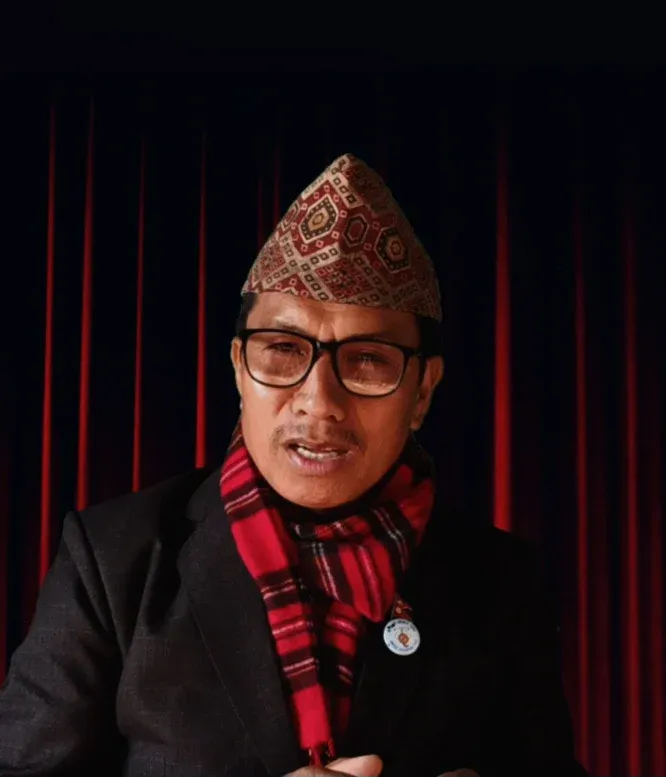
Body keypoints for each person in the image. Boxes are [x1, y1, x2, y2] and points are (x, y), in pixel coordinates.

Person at [0, 154, 587, 777]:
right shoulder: (113, 561)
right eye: (282, 349)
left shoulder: (501, 583)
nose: (318, 401)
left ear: (422, 391)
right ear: (238, 368)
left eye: (367, 359)